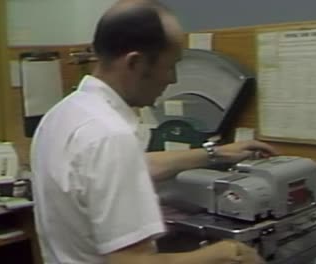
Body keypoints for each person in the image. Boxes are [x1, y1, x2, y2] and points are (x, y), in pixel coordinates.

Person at [30, 0, 278, 263]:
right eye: (170, 66)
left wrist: (216, 153)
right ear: (135, 63)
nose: (172, 80)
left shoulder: (62, 115)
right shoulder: (112, 136)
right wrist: (221, 253)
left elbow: (128, 166)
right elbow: (132, 261)